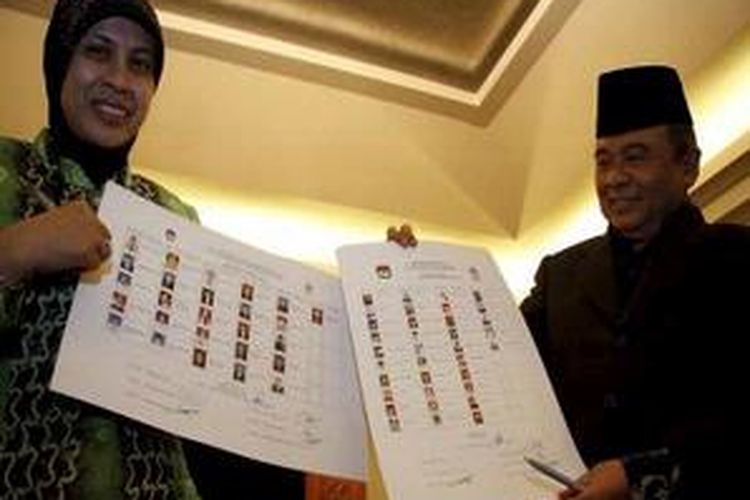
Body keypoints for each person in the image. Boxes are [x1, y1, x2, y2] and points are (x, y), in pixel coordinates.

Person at [389, 65, 749, 499]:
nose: (614, 178)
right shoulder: (561, 276)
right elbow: (488, 358)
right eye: (603, 161)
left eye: (635, 157)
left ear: (687, 164)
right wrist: (410, 275)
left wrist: (637, 476)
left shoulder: (737, 258)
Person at [0, 0, 304, 497]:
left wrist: (387, 285)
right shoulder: (5, 173)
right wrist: (15, 251)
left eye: (140, 64)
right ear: (59, 63)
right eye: (98, 51)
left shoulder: (174, 217)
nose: (120, 80)